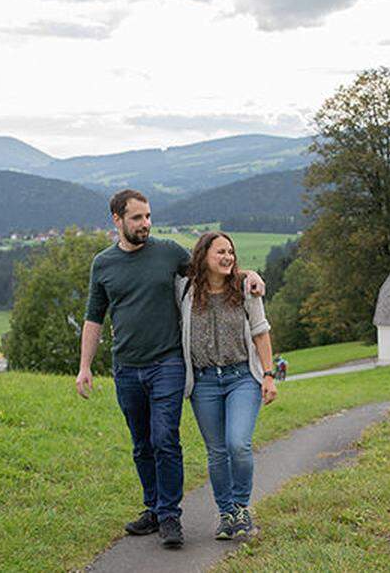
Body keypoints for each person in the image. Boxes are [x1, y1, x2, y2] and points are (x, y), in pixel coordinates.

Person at [76, 189, 263, 550]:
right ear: (117, 220)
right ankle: (153, 508)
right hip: (126, 366)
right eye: (136, 218)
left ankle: (170, 515)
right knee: (141, 444)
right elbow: (93, 316)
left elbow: (214, 269)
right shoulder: (103, 264)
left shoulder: (168, 252)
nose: (145, 224)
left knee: (165, 438)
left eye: (147, 217)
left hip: (168, 362)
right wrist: (85, 366)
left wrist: (249, 274)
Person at [177, 231, 277, 540]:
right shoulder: (185, 290)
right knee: (217, 452)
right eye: (220, 252)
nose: (227, 257)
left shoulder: (246, 289)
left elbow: (260, 332)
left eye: (231, 253)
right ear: (204, 255)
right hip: (204, 381)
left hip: (242, 378)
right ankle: (226, 514)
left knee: (238, 444)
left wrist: (269, 375)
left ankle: (242, 507)